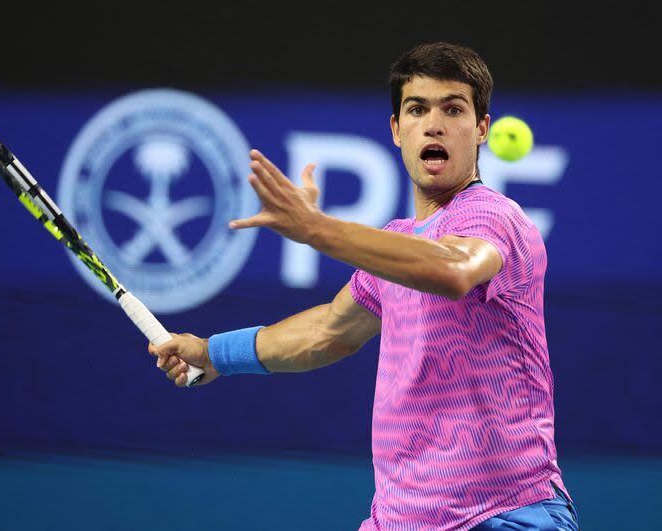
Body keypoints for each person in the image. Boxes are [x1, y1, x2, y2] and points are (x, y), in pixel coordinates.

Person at [149, 42, 579, 530]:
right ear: (397, 130)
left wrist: (317, 229)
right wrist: (214, 353)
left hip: (502, 515)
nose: (434, 124)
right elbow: (330, 331)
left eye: (453, 109)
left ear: (481, 128)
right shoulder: (395, 244)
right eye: (417, 109)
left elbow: (454, 271)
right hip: (399, 520)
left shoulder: (493, 216)